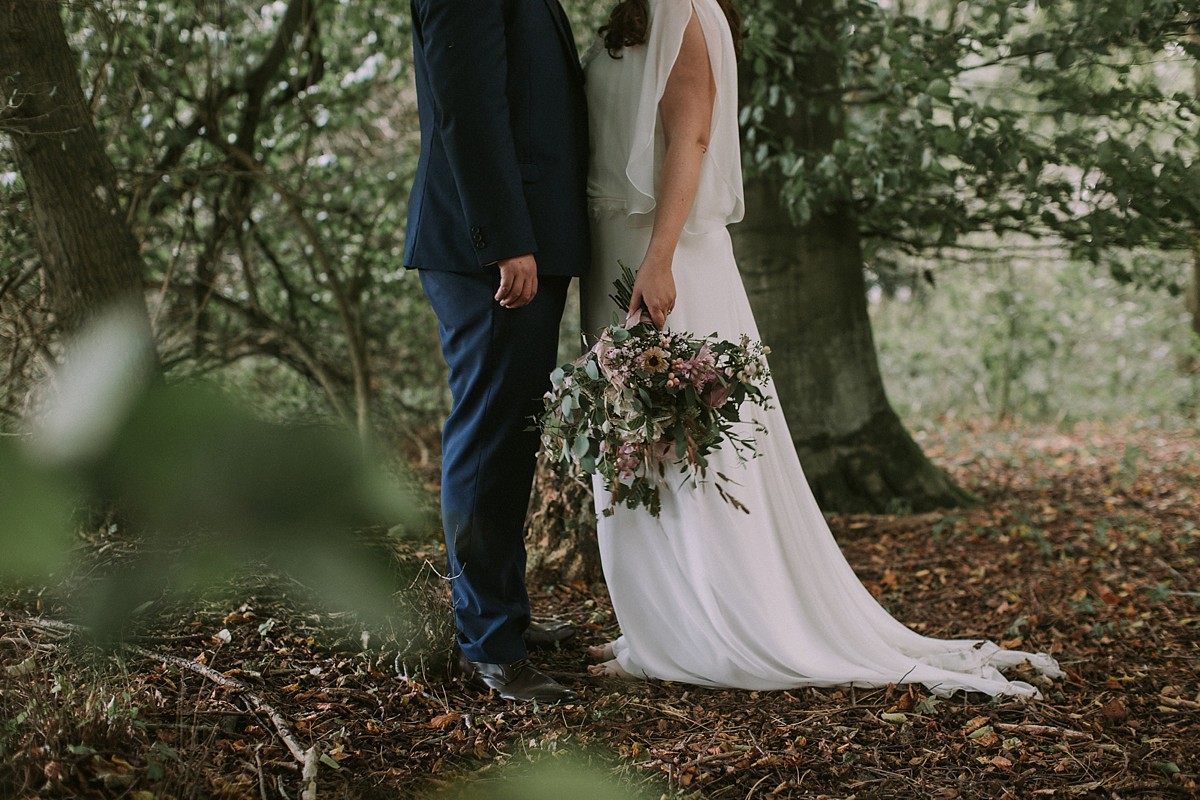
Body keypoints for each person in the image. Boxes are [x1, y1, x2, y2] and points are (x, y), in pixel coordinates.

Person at [579, 0, 1063, 697]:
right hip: (612, 245)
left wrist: (659, 260)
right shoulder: (624, 17)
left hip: (669, 252)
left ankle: (717, 626)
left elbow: (691, 139)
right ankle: (659, 626)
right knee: (632, 438)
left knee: (693, 441)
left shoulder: (687, 12)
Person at [405, 0, 590, 704]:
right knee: (487, 440)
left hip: (528, 236)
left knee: (510, 440)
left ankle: (503, 619)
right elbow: (466, 103)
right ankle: (490, 645)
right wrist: (505, 237)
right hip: (491, 249)